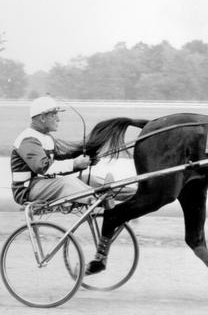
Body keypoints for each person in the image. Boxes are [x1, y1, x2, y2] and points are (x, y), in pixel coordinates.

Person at [10, 96, 134, 275]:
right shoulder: (28, 140)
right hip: (28, 190)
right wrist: (75, 164)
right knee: (66, 182)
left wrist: (86, 159)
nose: (58, 119)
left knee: (87, 181)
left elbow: (63, 161)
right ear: (42, 117)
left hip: (45, 183)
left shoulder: (46, 138)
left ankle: (128, 195)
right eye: (54, 115)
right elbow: (43, 168)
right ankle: (102, 200)